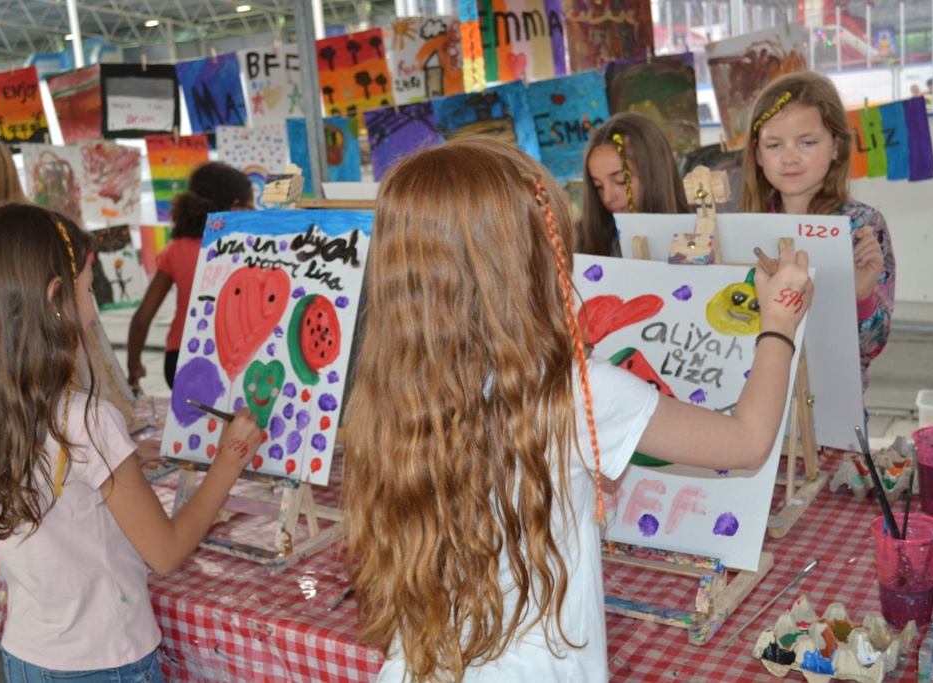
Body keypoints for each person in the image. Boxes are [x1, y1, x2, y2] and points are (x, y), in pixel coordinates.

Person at [343, 137, 814, 682]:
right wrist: (779, 320)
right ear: (525, 260)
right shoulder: (576, 392)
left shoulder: (393, 389)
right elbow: (748, 440)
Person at [0, 203, 260, 681]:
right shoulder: (86, 420)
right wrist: (229, 461)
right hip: (107, 660)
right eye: (89, 291)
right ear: (56, 297)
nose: (92, 314)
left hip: (29, 656)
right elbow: (166, 551)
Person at [739, 71, 894, 391]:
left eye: (807, 142)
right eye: (773, 144)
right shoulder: (741, 228)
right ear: (757, 153)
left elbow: (873, 345)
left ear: (836, 146)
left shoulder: (863, 228)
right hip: (756, 406)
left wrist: (862, 296)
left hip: (834, 409)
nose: (790, 157)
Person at [127, 161, 254, 391]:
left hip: (179, 359)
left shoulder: (175, 249)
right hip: (233, 359)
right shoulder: (251, 250)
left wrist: (133, 366)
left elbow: (142, 319)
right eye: (251, 208)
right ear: (237, 208)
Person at [577, 112, 689, 257]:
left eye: (621, 181)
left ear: (654, 174)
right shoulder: (585, 244)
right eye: (598, 186)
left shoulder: (698, 236)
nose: (607, 198)